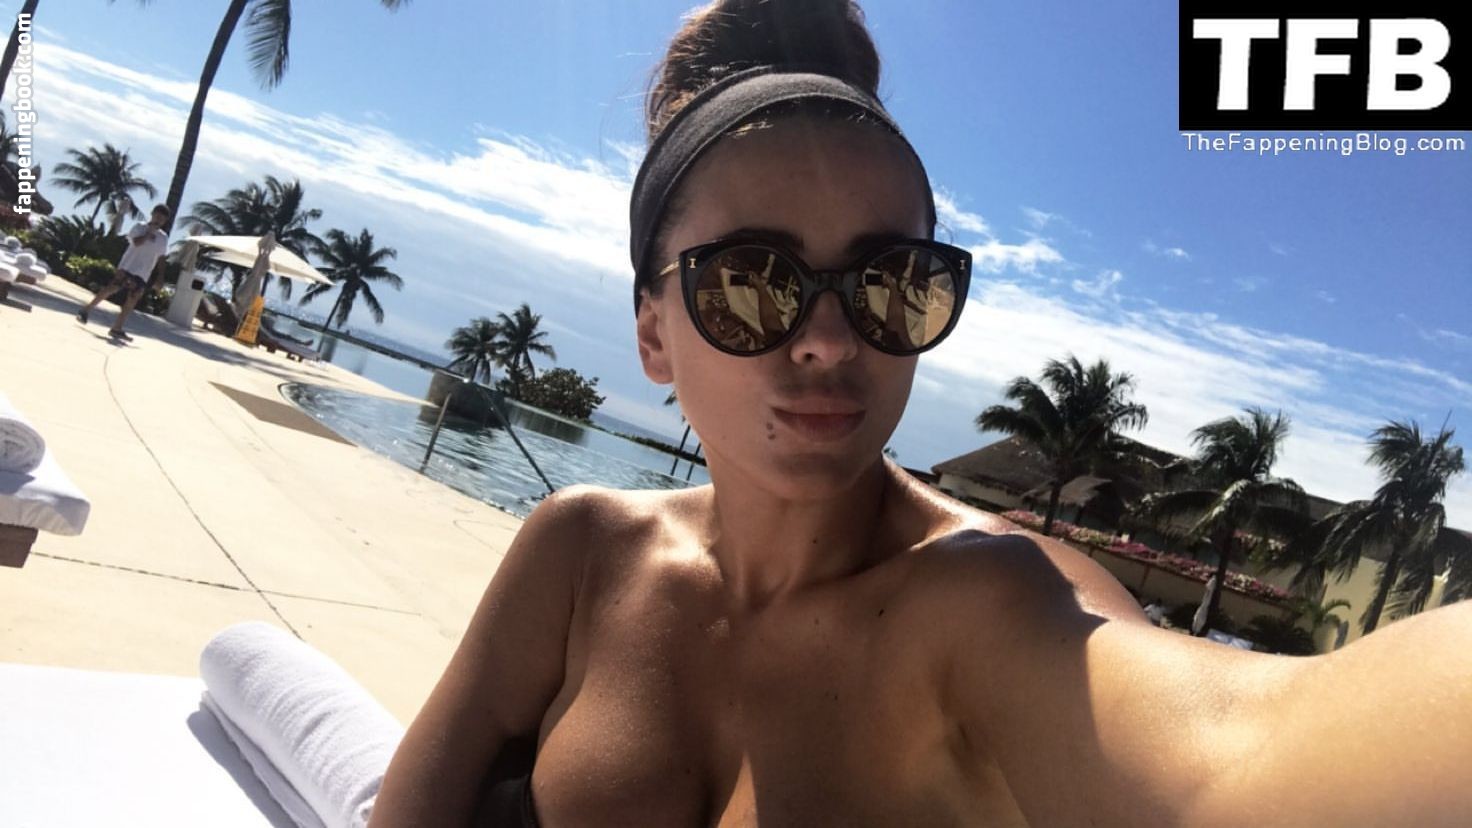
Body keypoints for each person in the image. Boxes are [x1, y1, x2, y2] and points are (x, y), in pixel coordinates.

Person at [370, 2, 1472, 825]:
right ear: (654, 331)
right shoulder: (579, 553)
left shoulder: (989, 607)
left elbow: (1238, 761)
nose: (829, 337)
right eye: (750, 280)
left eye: (891, 280)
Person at [76, 203, 170, 341]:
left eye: (162, 218)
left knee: (133, 298)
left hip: (143, 272)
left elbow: (161, 257)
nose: (159, 220)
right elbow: (136, 242)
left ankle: (117, 327)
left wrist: (160, 277)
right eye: (157, 216)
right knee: (112, 288)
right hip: (128, 266)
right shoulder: (140, 227)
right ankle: (87, 309)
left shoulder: (163, 238)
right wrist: (148, 233)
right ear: (152, 214)